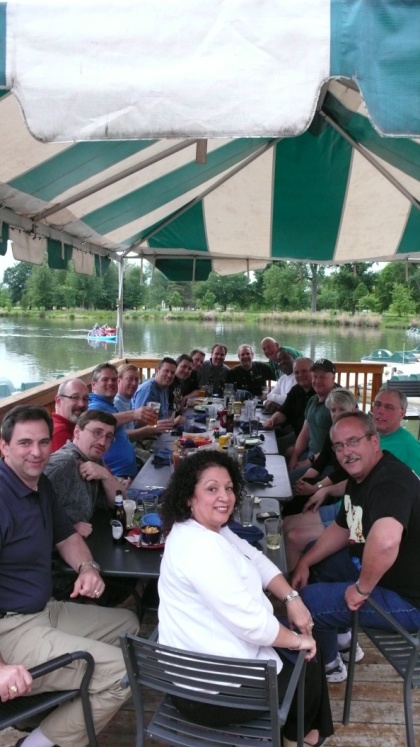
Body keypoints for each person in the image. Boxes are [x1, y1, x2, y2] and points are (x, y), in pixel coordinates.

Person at [158, 450, 333, 746]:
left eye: (227, 488)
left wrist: (291, 598)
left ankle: (306, 734)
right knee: (307, 656)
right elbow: (253, 625)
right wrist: (298, 640)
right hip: (209, 694)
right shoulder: (200, 548)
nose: (224, 496)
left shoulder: (207, 530)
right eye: (211, 489)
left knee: (302, 647)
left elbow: (256, 558)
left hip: (206, 664)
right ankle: (297, 737)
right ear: (189, 496)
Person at [0, 405, 139, 747]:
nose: (36, 452)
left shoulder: (39, 484)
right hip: (9, 631)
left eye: (44, 442)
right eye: (24, 443)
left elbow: (67, 536)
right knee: (122, 670)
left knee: (129, 625)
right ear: (4, 447)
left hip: (42, 610)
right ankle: (34, 744)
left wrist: (87, 569)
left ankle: (64, 706)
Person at [292, 411, 420, 685]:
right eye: (339, 446)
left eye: (353, 442)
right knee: (314, 559)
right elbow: (344, 527)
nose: (346, 452)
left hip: (408, 599)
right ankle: (343, 641)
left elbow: (386, 541)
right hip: (379, 573)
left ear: (374, 442)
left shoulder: (390, 481)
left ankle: (328, 666)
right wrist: (305, 562)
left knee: (309, 602)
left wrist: (361, 588)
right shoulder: (361, 476)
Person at [283, 389, 358, 569]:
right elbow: (322, 459)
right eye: (333, 410)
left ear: (353, 410)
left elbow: (344, 473)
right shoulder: (333, 431)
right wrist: (306, 480)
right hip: (331, 480)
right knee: (292, 498)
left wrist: (316, 487)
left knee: (297, 504)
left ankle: (300, 568)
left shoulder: (357, 434)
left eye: (342, 409)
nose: (337, 414)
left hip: (341, 491)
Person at [45, 409, 122, 536]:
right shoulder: (64, 464)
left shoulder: (93, 459)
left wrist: (106, 475)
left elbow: (120, 502)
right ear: (77, 432)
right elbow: (27, 512)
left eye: (108, 437)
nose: (103, 442)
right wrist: (68, 529)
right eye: (97, 433)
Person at [88, 362, 155, 481]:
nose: (111, 383)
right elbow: (99, 421)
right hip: (116, 477)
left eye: (113, 379)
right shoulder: (93, 405)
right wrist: (134, 414)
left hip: (130, 470)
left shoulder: (109, 404)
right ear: (94, 384)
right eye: (105, 379)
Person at [288, 359, 338, 482]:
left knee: (287, 480)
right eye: (315, 376)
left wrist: (307, 461)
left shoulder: (338, 404)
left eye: (322, 377)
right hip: (310, 454)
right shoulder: (313, 399)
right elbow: (305, 432)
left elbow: (333, 448)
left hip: (327, 462)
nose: (317, 381)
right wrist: (295, 455)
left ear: (333, 378)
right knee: (280, 465)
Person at [263, 358, 315, 453]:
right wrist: (272, 420)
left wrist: (296, 450)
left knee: (275, 449)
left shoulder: (320, 393)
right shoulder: (296, 389)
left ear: (314, 371)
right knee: (267, 445)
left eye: (304, 371)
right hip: (297, 434)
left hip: (311, 441)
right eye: (297, 372)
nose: (300, 375)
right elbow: (284, 411)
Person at [372, 386, 420, 476]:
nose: (380, 411)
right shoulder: (368, 436)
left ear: (402, 413)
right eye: (377, 405)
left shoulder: (409, 446)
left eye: (388, 407)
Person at [51, 378, 89, 452]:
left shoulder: (73, 426)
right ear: (59, 401)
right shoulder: (59, 434)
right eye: (75, 397)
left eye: (85, 399)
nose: (82, 404)